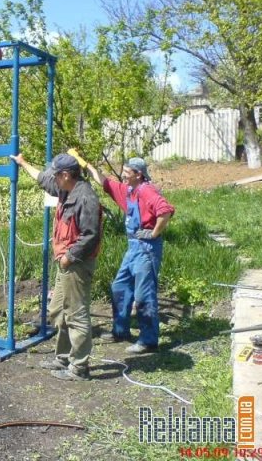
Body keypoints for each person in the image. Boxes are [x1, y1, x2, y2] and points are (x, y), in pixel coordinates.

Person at [11, 152, 102, 381]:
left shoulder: (85, 198)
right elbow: (42, 179)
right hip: (66, 262)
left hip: (77, 264)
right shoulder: (65, 188)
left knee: (76, 314)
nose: (54, 179)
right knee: (59, 310)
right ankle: (62, 357)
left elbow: (90, 235)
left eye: (56, 175)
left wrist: (69, 257)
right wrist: (23, 163)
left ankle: (79, 368)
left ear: (65, 174)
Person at [84, 156, 174, 354]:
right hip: (132, 247)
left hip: (146, 249)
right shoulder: (129, 190)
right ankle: (120, 330)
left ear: (138, 174)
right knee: (120, 286)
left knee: (143, 295)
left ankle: (148, 340)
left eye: (127, 173)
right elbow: (106, 182)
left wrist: (154, 232)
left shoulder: (146, 191)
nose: (123, 175)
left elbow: (165, 211)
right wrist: (87, 165)